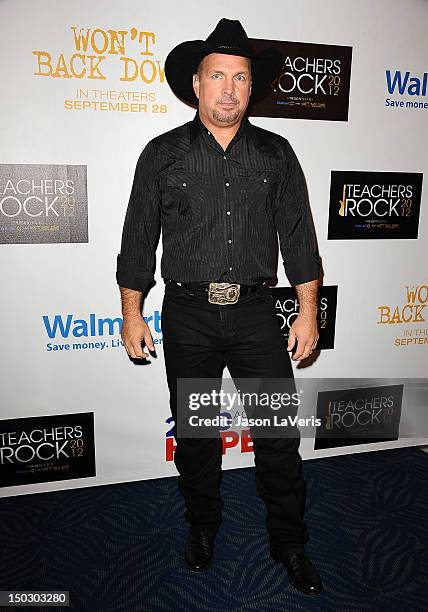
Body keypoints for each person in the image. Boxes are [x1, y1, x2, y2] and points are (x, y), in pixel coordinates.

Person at [116, 18, 323, 596]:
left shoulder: (277, 154)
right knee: (198, 435)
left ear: (250, 88)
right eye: (217, 76)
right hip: (190, 316)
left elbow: (300, 240)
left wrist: (307, 312)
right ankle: (201, 529)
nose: (228, 88)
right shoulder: (163, 154)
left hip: (259, 316)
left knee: (279, 436)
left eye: (240, 77)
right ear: (197, 84)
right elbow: (138, 241)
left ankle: (290, 541)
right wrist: (133, 312)